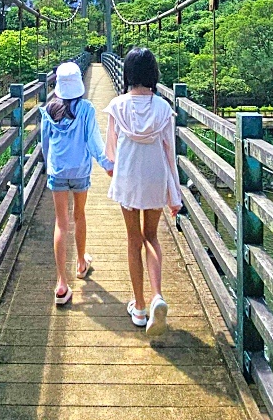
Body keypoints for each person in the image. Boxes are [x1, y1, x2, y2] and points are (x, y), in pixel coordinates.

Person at [105, 47, 183, 336]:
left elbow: (111, 152)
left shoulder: (117, 106)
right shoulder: (163, 109)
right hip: (155, 178)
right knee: (152, 236)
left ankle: (139, 307)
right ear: (153, 74)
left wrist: (112, 168)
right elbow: (169, 152)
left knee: (133, 238)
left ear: (128, 74)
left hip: (128, 178)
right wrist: (175, 196)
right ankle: (157, 296)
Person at [40, 61, 113, 306]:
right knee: (79, 215)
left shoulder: (48, 110)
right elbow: (93, 142)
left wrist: (47, 166)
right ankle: (81, 263)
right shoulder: (86, 109)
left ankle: (61, 284)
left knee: (61, 223)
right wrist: (106, 163)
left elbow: (45, 144)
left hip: (57, 171)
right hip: (80, 170)